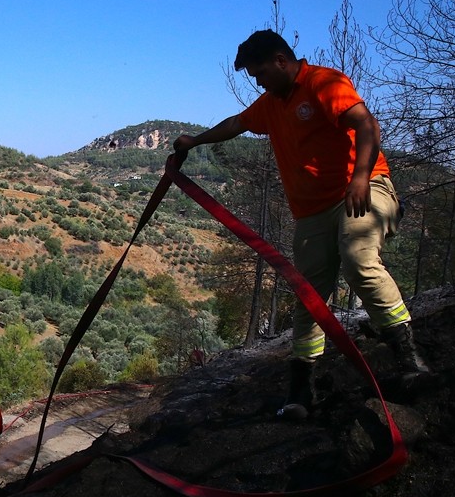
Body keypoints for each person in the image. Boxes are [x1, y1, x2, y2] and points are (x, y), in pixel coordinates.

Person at [173, 30, 429, 418]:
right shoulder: (272, 104)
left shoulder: (323, 83)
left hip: (364, 188)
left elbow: (366, 126)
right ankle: (301, 391)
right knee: (309, 294)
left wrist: (360, 178)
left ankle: (411, 362)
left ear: (280, 60)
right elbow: (234, 125)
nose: (258, 82)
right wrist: (194, 141)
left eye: (260, 73)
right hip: (312, 212)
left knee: (358, 257)